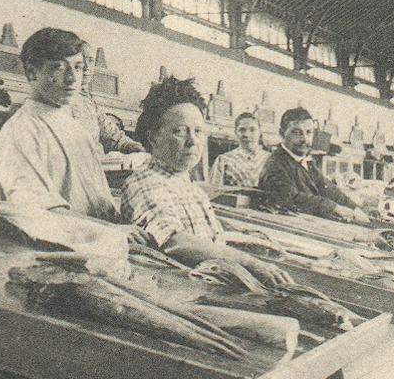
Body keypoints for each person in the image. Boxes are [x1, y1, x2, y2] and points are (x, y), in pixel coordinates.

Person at [117, 76, 290, 285]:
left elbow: (210, 242)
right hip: (180, 290)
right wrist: (252, 264)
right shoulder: (145, 182)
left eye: (197, 131)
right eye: (179, 131)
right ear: (154, 137)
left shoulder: (189, 186)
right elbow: (174, 241)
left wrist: (251, 238)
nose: (192, 141)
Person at [0, 27, 131, 224]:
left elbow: (101, 202)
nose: (73, 79)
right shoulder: (21, 131)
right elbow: (41, 211)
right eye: (59, 67)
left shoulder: (74, 127)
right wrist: (114, 231)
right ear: (32, 72)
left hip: (96, 234)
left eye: (77, 67)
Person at [257, 106, 370, 223]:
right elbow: (291, 198)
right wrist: (335, 208)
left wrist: (357, 209)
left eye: (309, 132)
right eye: (297, 133)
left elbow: (328, 188)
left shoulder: (307, 161)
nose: (305, 139)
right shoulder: (275, 164)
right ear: (282, 133)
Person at [209, 112, 270, 188]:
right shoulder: (223, 160)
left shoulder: (271, 159)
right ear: (236, 132)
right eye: (242, 130)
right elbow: (213, 191)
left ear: (260, 132)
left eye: (252, 129)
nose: (247, 134)